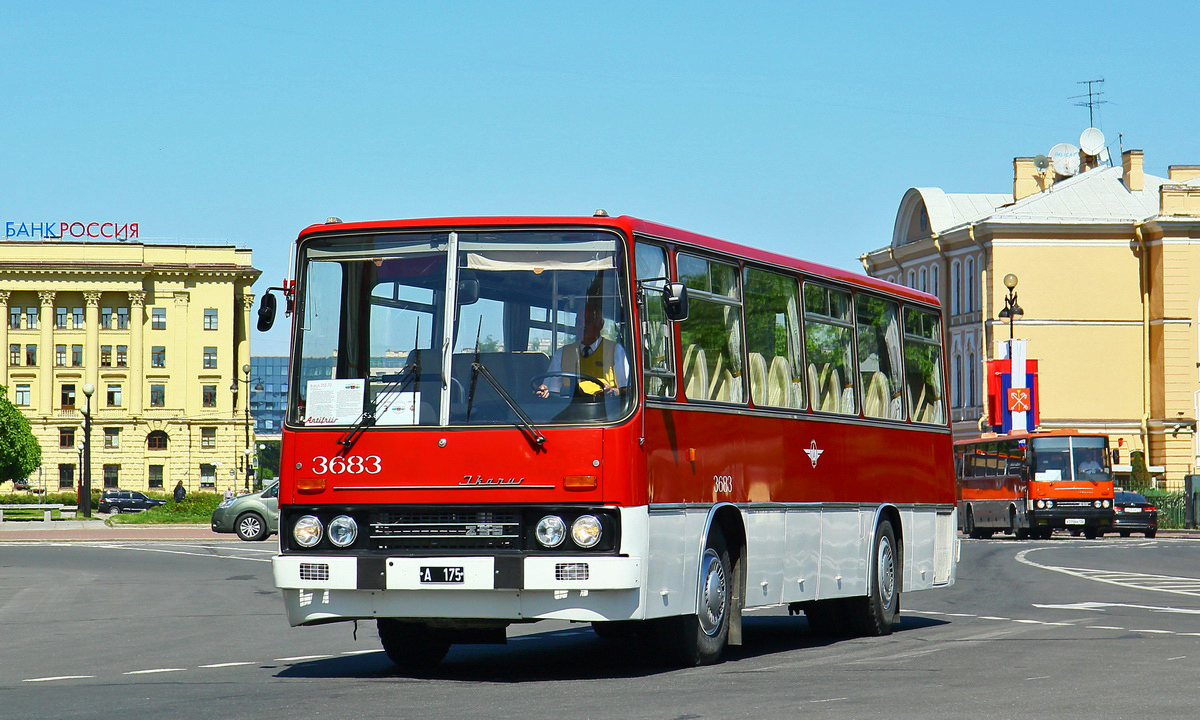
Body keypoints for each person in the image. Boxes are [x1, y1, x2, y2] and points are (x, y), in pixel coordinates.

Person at [536, 299, 629, 399]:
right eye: (578, 322)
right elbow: (552, 389)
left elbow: (627, 389)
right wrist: (544, 391)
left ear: (600, 324)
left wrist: (613, 391)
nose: (582, 326)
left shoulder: (615, 350)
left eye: (587, 322)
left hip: (604, 408)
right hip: (570, 408)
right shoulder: (562, 353)